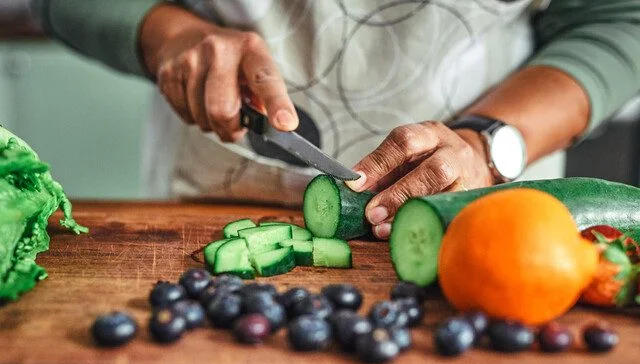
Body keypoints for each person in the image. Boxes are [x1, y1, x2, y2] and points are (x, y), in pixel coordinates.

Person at [32, 0, 640, 238]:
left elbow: (620, 19)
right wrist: (171, 36)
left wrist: (487, 143)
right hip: (207, 195)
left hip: (486, 210)